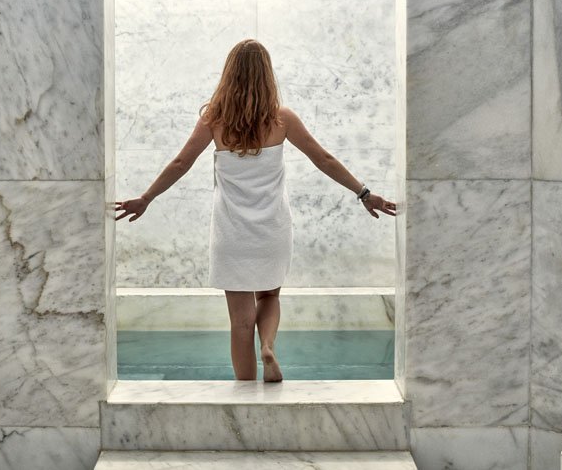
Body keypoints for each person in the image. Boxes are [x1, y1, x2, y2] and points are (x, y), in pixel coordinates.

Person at [114, 39, 397, 383]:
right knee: (269, 296)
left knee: (240, 323)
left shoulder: (213, 120)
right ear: (267, 75)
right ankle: (268, 346)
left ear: (229, 74)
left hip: (231, 235)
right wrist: (363, 193)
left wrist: (146, 198)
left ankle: (246, 393)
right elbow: (324, 159)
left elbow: (180, 163)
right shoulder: (283, 119)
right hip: (272, 231)